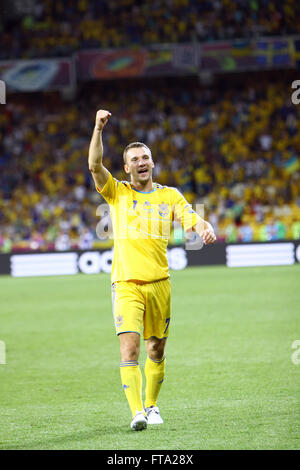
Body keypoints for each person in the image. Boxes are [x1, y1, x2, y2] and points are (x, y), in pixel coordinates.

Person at [88, 109, 216, 431]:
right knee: (129, 346)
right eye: (135, 158)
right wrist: (98, 128)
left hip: (159, 283)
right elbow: (93, 165)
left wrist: (203, 226)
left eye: (145, 156)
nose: (141, 162)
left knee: (155, 349)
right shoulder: (117, 192)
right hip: (126, 284)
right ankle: (137, 413)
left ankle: (152, 404)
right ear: (127, 167)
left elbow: (189, 217)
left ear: (152, 162)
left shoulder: (169, 195)